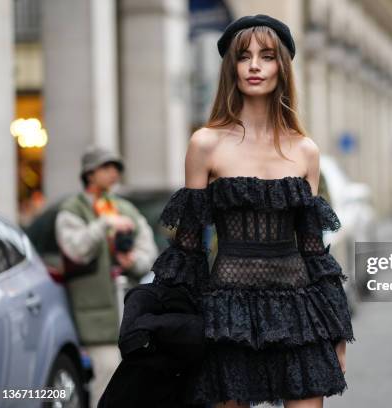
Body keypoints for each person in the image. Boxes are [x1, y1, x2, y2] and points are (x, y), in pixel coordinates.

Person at [136, 14, 355, 407]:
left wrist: (336, 331)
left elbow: (313, 250)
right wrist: (171, 323)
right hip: (228, 312)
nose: (255, 65)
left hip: (299, 313)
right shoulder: (205, 144)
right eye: (245, 56)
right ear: (231, 67)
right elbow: (188, 248)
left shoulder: (305, 150)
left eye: (267, 56)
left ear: (282, 67)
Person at [55, 145, 158, 407]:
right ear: (89, 173)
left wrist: (133, 260)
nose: (114, 173)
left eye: (117, 168)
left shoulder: (125, 208)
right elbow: (75, 249)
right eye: (106, 167)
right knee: (107, 376)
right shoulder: (73, 209)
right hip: (95, 315)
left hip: (131, 312)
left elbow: (149, 251)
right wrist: (104, 225)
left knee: (134, 380)